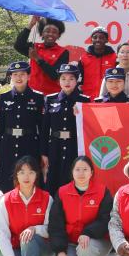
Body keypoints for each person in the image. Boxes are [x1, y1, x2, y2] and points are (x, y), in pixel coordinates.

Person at [48, 155, 113, 256]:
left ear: (91, 172)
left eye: (85, 169)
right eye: (77, 169)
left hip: (97, 241)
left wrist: (88, 233)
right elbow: (55, 224)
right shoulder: (62, 192)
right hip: (71, 243)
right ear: (72, 172)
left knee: (85, 246)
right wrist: (60, 251)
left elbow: (106, 219)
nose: (81, 173)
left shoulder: (102, 191)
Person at [0, 156, 53, 256]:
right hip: (17, 248)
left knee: (28, 238)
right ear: (16, 175)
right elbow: (2, 233)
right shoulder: (6, 200)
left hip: (42, 247)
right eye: (22, 172)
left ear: (37, 175)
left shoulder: (47, 198)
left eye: (31, 172)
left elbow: (51, 229)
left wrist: (35, 229)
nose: (26, 177)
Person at [0, 61, 45, 192]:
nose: (19, 78)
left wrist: (43, 152)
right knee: (7, 181)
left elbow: (42, 128)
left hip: (29, 144)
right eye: (15, 74)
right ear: (11, 77)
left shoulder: (37, 98)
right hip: (8, 145)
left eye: (22, 74)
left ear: (28, 76)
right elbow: (0, 126)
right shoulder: (4, 97)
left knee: (29, 180)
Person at [41, 61, 91, 195]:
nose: (67, 82)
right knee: (53, 180)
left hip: (74, 146)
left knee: (73, 178)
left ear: (77, 80)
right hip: (55, 146)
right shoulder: (50, 100)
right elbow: (45, 129)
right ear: (59, 81)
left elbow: (89, 128)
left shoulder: (84, 100)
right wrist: (44, 153)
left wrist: (80, 113)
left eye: (71, 78)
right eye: (63, 78)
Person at [14, 15, 69, 96]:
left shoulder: (63, 52)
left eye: (54, 32)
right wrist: (31, 24)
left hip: (52, 95)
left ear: (58, 35)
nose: (50, 34)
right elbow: (18, 45)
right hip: (32, 93)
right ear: (42, 34)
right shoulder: (34, 47)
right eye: (47, 31)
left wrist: (37, 58)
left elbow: (55, 75)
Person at [78, 26, 117, 99]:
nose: (98, 40)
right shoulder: (83, 58)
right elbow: (79, 80)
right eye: (95, 37)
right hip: (87, 99)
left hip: (108, 99)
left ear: (106, 40)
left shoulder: (114, 58)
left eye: (101, 37)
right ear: (91, 39)